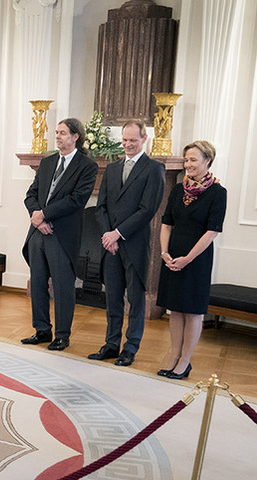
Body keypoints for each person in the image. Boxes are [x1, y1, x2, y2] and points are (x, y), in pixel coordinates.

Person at [87, 120, 166, 367]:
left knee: (135, 298)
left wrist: (118, 233)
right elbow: (101, 207)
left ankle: (130, 347)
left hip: (134, 244)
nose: (128, 145)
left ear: (144, 139)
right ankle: (111, 344)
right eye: (124, 140)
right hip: (110, 246)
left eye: (133, 140)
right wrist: (108, 235)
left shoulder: (154, 169)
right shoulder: (112, 169)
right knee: (112, 297)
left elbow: (147, 210)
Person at [21, 118, 99, 351]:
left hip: (62, 234)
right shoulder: (47, 163)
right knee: (37, 283)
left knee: (63, 287)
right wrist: (37, 217)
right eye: (57, 132)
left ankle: (62, 335)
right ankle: (42, 330)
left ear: (76, 136)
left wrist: (44, 214)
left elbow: (76, 200)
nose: (58, 136)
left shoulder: (87, 166)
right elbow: (30, 194)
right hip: (38, 233)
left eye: (63, 133)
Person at [155, 140, 226, 380]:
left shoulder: (218, 193)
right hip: (172, 256)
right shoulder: (177, 190)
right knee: (175, 309)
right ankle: (174, 355)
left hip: (196, 258)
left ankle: (185, 361)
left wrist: (187, 259)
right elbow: (166, 223)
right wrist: (164, 252)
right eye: (186, 160)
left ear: (207, 161)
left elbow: (212, 231)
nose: (188, 164)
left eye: (193, 160)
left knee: (193, 311)